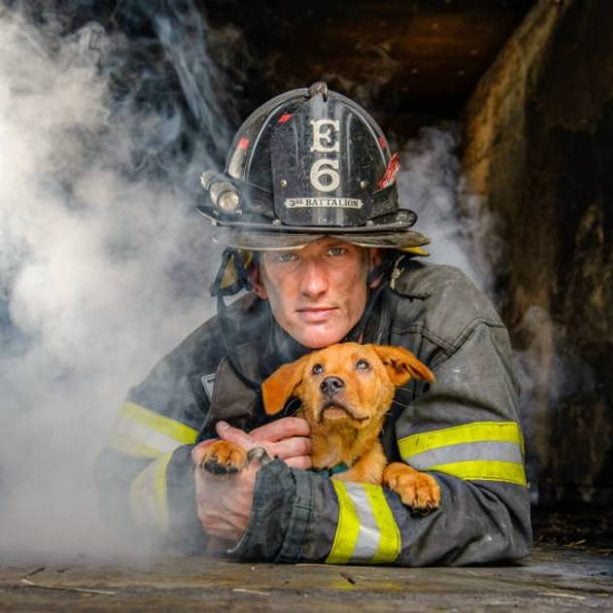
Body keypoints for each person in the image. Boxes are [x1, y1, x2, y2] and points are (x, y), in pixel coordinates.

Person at [94, 82, 531, 565]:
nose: (314, 284)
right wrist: (193, 490)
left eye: (336, 250)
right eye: (286, 255)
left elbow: (492, 520)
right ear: (255, 275)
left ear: (375, 259)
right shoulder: (218, 350)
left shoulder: (442, 318)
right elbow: (115, 486)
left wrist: (278, 511)